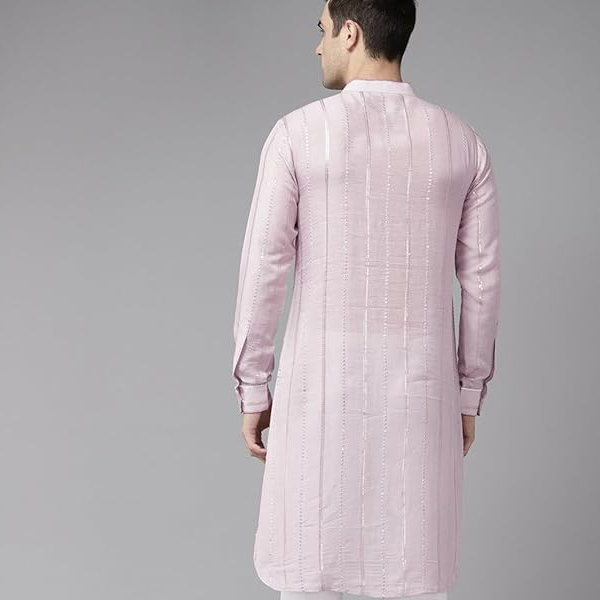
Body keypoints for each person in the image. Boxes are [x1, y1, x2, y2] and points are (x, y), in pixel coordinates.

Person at [231, 1, 501, 598]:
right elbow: (481, 281)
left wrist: (253, 386)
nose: (318, 45)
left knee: (311, 569)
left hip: (317, 400)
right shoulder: (462, 143)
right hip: (423, 404)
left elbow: (264, 269)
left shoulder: (297, 135)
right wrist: (468, 395)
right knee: (412, 575)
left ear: (350, 33)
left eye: (322, 30)